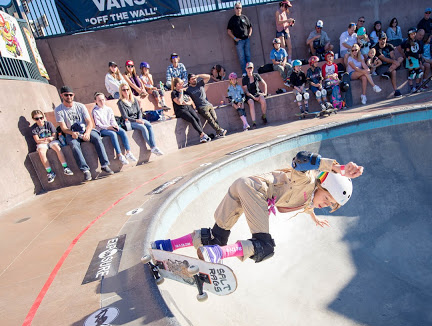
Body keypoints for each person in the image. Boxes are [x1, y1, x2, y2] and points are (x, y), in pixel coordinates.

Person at [152, 151, 364, 264]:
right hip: (255, 191)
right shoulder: (306, 181)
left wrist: (314, 217)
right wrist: (337, 167)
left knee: (216, 236)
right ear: (322, 185)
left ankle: (166, 245)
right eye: (327, 199)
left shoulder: (309, 199)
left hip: (241, 186)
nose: (325, 205)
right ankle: (216, 254)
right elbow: (301, 159)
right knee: (265, 246)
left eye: (330, 205)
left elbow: (309, 204)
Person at [54, 85, 113, 181]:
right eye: (66, 95)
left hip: (84, 129)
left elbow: (89, 122)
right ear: (62, 96)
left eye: (70, 95)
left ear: (73, 95)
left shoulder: (80, 106)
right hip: (71, 132)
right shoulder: (58, 110)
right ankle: (85, 170)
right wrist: (72, 133)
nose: (69, 97)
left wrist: (87, 132)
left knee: (97, 138)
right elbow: (63, 128)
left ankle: (104, 165)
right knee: (74, 145)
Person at [117, 83, 164, 155]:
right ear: (121, 91)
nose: (126, 91)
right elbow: (125, 116)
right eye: (124, 90)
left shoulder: (134, 99)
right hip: (130, 121)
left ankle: (154, 145)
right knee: (143, 127)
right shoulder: (120, 102)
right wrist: (137, 121)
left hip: (138, 119)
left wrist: (140, 119)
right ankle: (152, 147)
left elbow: (139, 111)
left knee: (149, 125)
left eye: (127, 89)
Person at [92, 92, 137, 166]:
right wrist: (108, 127)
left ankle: (128, 152)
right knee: (113, 134)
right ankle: (119, 155)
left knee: (122, 131)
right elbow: (98, 124)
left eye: (103, 100)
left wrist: (115, 125)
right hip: (102, 129)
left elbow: (112, 119)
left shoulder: (108, 109)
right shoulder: (95, 111)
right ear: (96, 101)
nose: (102, 102)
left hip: (111, 127)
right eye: (99, 100)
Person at [30, 110, 73, 183]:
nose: (39, 120)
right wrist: (46, 139)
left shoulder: (48, 124)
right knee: (41, 152)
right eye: (37, 119)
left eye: (41, 118)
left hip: (52, 141)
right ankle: (50, 172)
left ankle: (65, 167)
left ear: (43, 117)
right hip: (44, 142)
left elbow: (54, 136)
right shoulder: (34, 128)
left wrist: (48, 139)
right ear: (33, 119)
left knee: (57, 147)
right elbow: (37, 140)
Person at [186, 73, 227, 138]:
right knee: (210, 119)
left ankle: (219, 133)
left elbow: (208, 77)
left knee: (215, 118)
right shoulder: (188, 90)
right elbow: (189, 100)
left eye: (195, 78)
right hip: (201, 107)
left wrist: (199, 75)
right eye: (192, 79)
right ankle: (220, 130)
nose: (194, 80)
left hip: (208, 104)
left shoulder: (200, 84)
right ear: (189, 81)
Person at [170, 78, 211, 143]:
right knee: (192, 119)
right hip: (181, 110)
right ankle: (202, 135)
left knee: (197, 118)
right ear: (177, 84)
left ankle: (202, 135)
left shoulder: (185, 92)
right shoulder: (174, 93)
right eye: (181, 83)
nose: (183, 84)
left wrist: (187, 103)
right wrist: (181, 93)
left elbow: (191, 101)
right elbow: (179, 102)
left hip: (188, 107)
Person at [227, 2, 253, 76]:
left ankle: (250, 71)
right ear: (234, 9)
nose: (238, 9)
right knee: (242, 57)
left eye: (240, 8)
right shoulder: (232, 19)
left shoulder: (244, 17)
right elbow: (228, 31)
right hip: (239, 41)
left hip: (246, 39)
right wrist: (235, 38)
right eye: (237, 8)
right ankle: (244, 72)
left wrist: (249, 34)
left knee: (248, 56)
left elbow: (250, 27)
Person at [242, 62, 268, 127]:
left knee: (263, 100)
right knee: (251, 103)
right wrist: (254, 98)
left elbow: (264, 84)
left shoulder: (256, 75)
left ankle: (264, 116)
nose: (249, 70)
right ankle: (254, 122)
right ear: (246, 69)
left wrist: (265, 93)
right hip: (249, 95)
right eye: (248, 68)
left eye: (250, 68)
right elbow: (246, 91)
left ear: (253, 68)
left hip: (257, 93)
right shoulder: (244, 79)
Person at [402, 28, 424, 93]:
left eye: (414, 34)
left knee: (418, 73)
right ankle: (412, 87)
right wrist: (410, 61)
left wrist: (420, 60)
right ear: (409, 35)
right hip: (410, 59)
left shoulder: (418, 42)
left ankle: (417, 86)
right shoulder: (407, 42)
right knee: (412, 73)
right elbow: (407, 53)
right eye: (411, 34)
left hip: (416, 59)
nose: (413, 35)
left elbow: (419, 52)